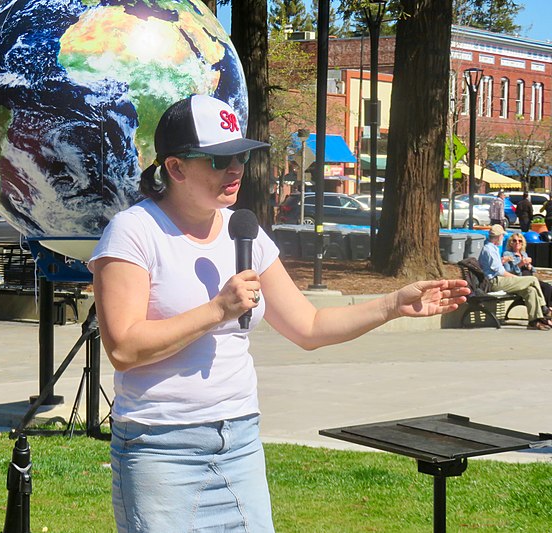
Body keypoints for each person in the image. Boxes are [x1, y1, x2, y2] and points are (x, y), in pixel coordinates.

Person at [88, 94, 470, 533]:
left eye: (241, 156)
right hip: (161, 448)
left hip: (240, 441)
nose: (235, 169)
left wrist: (391, 305)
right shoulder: (134, 232)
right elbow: (124, 347)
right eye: (219, 159)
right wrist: (217, 310)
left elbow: (308, 326)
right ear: (174, 168)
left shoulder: (243, 231)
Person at [478, 224, 550, 330]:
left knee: (530, 290)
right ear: (498, 236)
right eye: (502, 236)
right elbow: (500, 271)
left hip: (499, 280)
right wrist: (515, 278)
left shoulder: (493, 248)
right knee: (533, 280)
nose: (503, 238)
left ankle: (534, 320)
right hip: (494, 282)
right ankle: (544, 308)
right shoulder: (489, 250)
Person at [502, 232, 552, 311]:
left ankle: (549, 308)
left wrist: (529, 266)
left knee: (548, 287)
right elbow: (508, 271)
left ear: (523, 243)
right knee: (542, 288)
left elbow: (533, 270)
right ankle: (545, 309)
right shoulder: (507, 254)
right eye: (514, 241)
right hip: (519, 278)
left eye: (520, 241)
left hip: (530, 277)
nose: (517, 243)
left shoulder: (524, 254)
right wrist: (520, 264)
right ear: (511, 243)